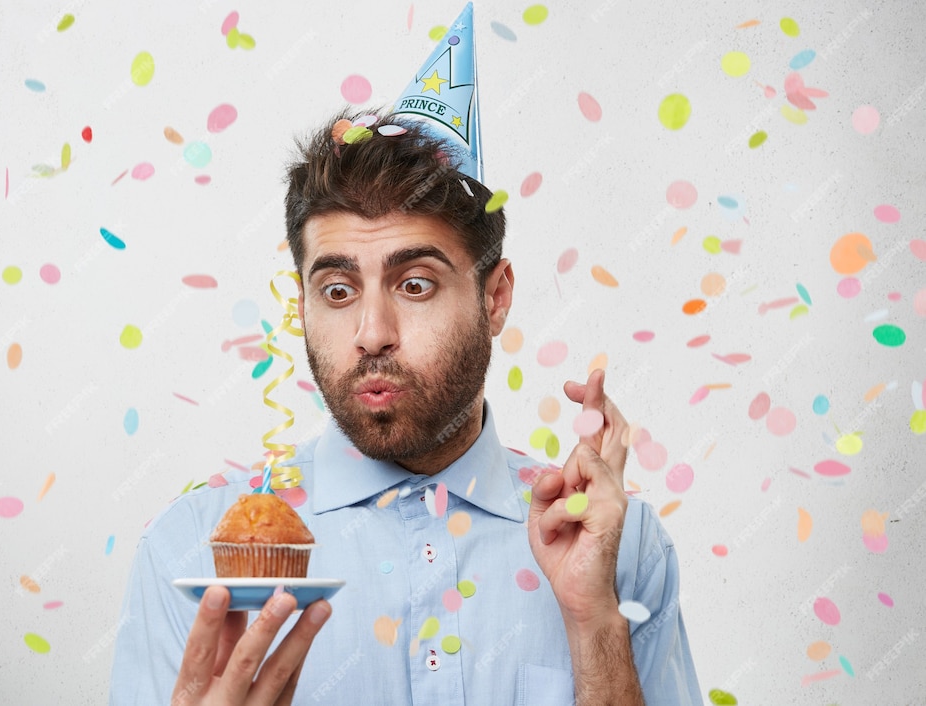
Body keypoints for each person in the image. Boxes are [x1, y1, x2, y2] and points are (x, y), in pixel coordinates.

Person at [110, 7, 701, 705]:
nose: (371, 332)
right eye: (336, 289)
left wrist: (593, 625)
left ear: (495, 297)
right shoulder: (196, 554)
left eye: (414, 284)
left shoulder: (616, 547)